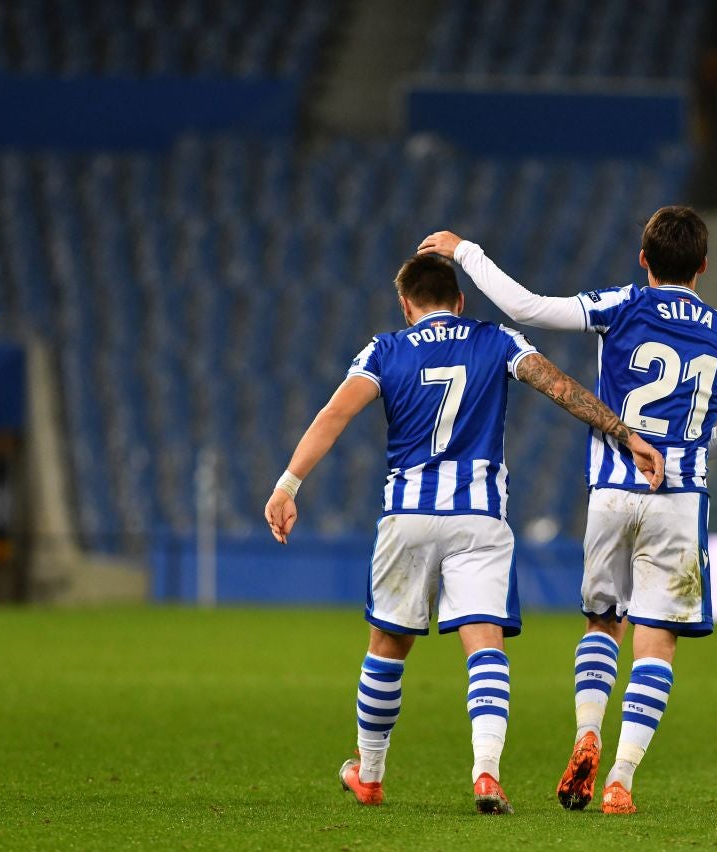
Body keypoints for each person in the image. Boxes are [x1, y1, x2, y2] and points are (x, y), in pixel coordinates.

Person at [263, 254, 664, 815]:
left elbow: (334, 414)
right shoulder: (496, 340)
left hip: (408, 517)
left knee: (388, 647)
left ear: (406, 305)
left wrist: (288, 485)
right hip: (478, 520)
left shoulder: (385, 349)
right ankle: (486, 774)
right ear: (460, 300)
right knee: (485, 648)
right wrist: (625, 434)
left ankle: (371, 775)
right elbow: (560, 387)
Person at [418, 206, 717, 815]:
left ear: (644, 259)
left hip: (611, 489)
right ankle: (621, 778)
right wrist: (688, 447)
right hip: (679, 501)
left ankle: (586, 733)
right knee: (656, 644)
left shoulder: (622, 304)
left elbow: (526, 307)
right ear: (704, 266)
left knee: (602, 621)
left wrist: (465, 251)